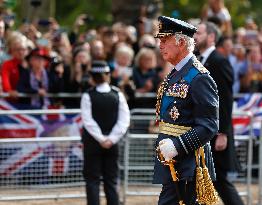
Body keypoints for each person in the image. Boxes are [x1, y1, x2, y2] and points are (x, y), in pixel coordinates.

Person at [153, 16, 219, 205]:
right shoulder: (176, 73)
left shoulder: (198, 77)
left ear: (181, 42)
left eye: (165, 40)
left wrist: (177, 146)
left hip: (188, 161)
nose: (160, 45)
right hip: (174, 162)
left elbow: (209, 125)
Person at [194, 21, 244, 205]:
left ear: (212, 37)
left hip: (215, 133)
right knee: (201, 180)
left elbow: (225, 100)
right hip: (202, 132)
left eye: (199, 33)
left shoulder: (219, 61)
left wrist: (222, 132)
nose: (195, 37)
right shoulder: (198, 60)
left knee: (220, 180)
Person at [81, 60, 130, 205]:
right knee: (111, 180)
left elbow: (88, 121)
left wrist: (101, 138)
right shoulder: (117, 94)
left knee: (92, 180)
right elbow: (124, 120)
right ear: (108, 75)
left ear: (91, 77)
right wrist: (111, 139)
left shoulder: (87, 95)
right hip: (112, 144)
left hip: (92, 144)